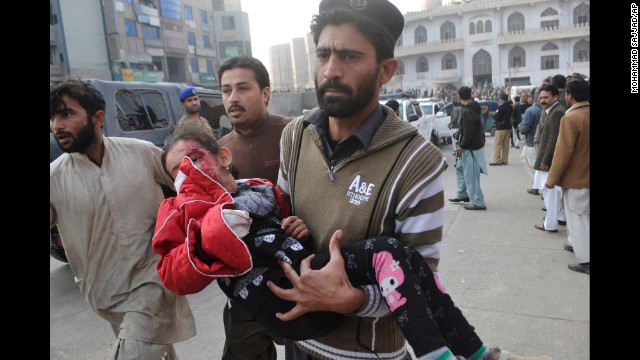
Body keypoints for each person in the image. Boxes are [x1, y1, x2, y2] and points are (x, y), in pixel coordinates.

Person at [271, 1, 545, 359]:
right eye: (323, 54)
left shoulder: (418, 161)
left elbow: (421, 279)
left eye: (351, 57)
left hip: (369, 353)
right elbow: (278, 223)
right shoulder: (295, 135)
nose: (331, 71)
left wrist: (351, 299)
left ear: (386, 70)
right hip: (298, 343)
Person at [153, 125, 549, 360]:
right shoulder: (183, 212)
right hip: (284, 302)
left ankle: (472, 350)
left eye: (193, 161)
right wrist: (212, 232)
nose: (187, 176)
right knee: (389, 255)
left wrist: (295, 225)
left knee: (401, 257)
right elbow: (172, 272)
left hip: (314, 274)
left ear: (222, 156)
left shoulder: (257, 189)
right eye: (176, 173)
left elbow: (288, 219)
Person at [50, 78, 195, 359]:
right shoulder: (55, 179)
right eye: (53, 117)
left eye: (66, 114)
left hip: (154, 279)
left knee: (135, 353)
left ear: (98, 118)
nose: (57, 125)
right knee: (154, 349)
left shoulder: (140, 152)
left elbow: (190, 179)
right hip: (105, 294)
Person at [217, 55, 293, 359]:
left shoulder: (294, 134)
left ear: (265, 92)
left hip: (297, 276)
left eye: (242, 88)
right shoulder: (221, 152)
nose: (232, 98)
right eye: (225, 90)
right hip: (245, 288)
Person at [544, 79, 590, 274]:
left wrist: (551, 179)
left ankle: (586, 259)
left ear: (569, 96)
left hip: (577, 178)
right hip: (585, 176)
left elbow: (562, 153)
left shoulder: (570, 118)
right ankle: (578, 245)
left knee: (578, 218)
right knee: (583, 217)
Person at [532, 84, 566, 233]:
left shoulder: (557, 112)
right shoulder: (549, 111)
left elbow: (554, 139)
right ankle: (558, 219)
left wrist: (546, 160)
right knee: (552, 195)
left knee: (550, 195)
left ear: (556, 97)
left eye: (546, 97)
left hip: (549, 161)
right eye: (541, 98)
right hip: (547, 159)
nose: (543, 100)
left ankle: (550, 225)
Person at [449, 86, 488, 211]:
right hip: (473, 146)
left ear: (460, 97)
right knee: (460, 170)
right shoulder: (473, 108)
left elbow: (469, 133)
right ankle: (463, 194)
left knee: (471, 177)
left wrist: (461, 146)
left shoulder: (467, 111)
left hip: (470, 148)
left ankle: (478, 202)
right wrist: (457, 136)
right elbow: (464, 127)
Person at [518, 96, 542, 182]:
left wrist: (519, 126)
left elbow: (524, 127)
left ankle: (537, 186)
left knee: (532, 166)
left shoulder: (531, 110)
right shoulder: (548, 109)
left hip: (531, 143)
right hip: (544, 143)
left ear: (533, 98)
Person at [490, 93, 513, 166]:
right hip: (508, 127)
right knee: (506, 144)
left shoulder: (501, 107)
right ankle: (504, 160)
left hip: (500, 127)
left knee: (498, 144)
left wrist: (494, 116)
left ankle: (497, 160)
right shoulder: (510, 107)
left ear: (501, 99)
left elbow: (497, 117)